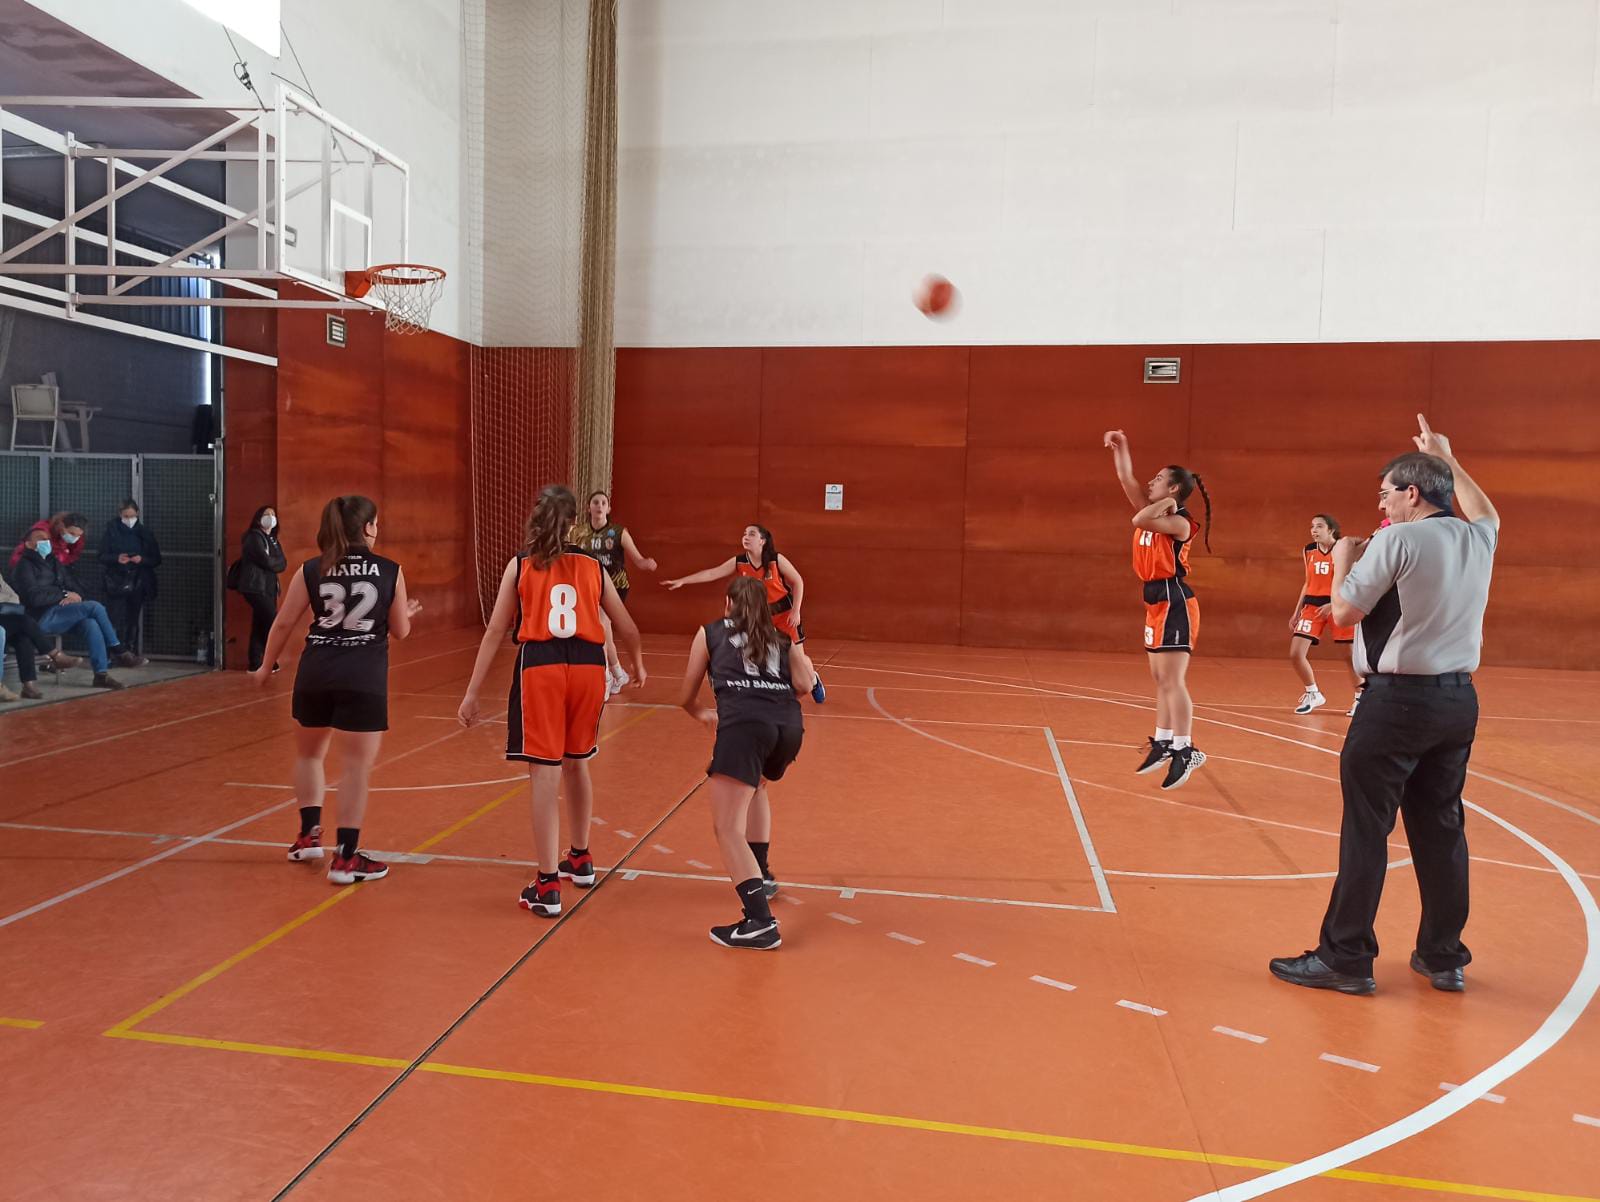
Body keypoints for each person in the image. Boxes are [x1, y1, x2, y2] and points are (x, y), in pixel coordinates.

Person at [1270, 415, 1498, 996]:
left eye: (1386, 493)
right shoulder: (1480, 537)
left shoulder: (1398, 539)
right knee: (1442, 828)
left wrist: (1344, 559)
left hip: (1396, 703)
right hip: (1457, 702)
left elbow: (1345, 613)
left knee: (1366, 829)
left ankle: (1345, 958)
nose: (1382, 504)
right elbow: (1484, 509)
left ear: (1412, 493)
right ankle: (1443, 956)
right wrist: (1448, 456)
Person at [458, 485, 645, 918]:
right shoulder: (593, 566)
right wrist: (636, 664)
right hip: (588, 667)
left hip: (541, 666)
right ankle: (580, 857)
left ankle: (546, 884)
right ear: (574, 524)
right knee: (578, 761)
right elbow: (626, 625)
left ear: (536, 519)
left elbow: (494, 631)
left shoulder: (521, 564)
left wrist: (472, 692)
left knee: (544, 771)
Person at [250, 495, 419, 886]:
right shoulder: (390, 570)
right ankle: (345, 858)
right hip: (363, 677)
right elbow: (400, 630)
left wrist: (264, 666)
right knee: (355, 767)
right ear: (368, 527)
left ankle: (308, 837)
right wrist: (405, 613)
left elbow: (283, 623)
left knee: (309, 755)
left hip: (316, 673)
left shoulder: (311, 568)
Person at [678, 576, 812, 950]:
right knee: (756, 787)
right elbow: (804, 685)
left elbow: (686, 694)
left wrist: (702, 713)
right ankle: (762, 873)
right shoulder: (781, 638)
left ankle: (760, 922)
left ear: (728, 604)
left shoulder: (710, 633)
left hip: (745, 727)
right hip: (788, 729)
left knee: (727, 828)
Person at [1103, 430, 1212, 791]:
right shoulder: (1154, 511)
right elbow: (1126, 478)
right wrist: (1121, 446)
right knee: (1160, 678)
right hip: (1154, 599)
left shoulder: (1181, 523)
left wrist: (1166, 504)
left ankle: (1186, 748)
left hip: (1175, 600)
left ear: (1174, 489)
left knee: (1174, 679)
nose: (1150, 482)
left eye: (1159, 479)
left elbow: (1138, 521)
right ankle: (1164, 741)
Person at [663, 524, 826, 703]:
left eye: (751, 534)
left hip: (785, 615)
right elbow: (712, 573)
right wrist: (683, 581)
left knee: (798, 660)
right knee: (765, 658)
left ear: (762, 541)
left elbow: (798, 581)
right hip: (761, 617)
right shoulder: (739, 562)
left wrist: (796, 610)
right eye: (744, 534)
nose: (746, 537)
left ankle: (813, 680)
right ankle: (771, 697)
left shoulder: (776, 560)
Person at [11, 526, 145, 690]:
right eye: (40, 539)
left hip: (62, 611)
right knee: (95, 607)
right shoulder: (23, 566)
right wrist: (63, 594)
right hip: (40, 617)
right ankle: (119, 650)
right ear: (28, 544)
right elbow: (33, 597)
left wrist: (74, 596)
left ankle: (101, 675)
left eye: (47, 539)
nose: (46, 542)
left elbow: (72, 585)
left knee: (91, 624)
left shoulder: (53, 561)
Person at [569, 490, 658, 696]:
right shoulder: (578, 533)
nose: (599, 506)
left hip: (616, 586)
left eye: (603, 502)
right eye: (595, 502)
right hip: (591, 586)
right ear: (589, 508)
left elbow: (638, 559)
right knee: (602, 629)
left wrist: (646, 563)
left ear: (608, 508)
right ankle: (618, 672)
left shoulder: (618, 533)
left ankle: (606, 677)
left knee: (602, 624)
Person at [1287, 514, 1364, 716]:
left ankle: (1360, 698)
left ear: (1331, 530)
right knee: (1296, 653)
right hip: (1312, 606)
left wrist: (1333, 604)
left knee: (1349, 656)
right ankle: (1313, 693)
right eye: (1312, 526)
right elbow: (1307, 582)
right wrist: (1296, 611)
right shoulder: (1309, 550)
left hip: (1338, 605)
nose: (1314, 530)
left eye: (1319, 526)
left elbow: (1351, 583)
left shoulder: (1342, 550)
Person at [0, 570, 79, 701]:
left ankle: (29, 686)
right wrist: (4, 600)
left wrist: (4, 601)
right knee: (25, 621)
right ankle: (55, 655)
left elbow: (14, 597)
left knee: (23, 638)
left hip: (5, 617)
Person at [99, 499, 162, 650]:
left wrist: (142, 559)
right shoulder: (111, 531)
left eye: (132, 516)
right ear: (120, 514)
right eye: (126, 516)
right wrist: (117, 558)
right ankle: (112, 652)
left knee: (132, 618)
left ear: (138, 514)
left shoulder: (145, 533)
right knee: (113, 617)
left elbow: (156, 559)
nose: (129, 519)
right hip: (116, 581)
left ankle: (130, 650)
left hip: (139, 581)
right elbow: (101, 556)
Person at [236, 505, 287, 672]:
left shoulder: (272, 539)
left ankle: (255, 662)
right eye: (266, 514)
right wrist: (274, 562)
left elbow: (282, 563)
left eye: (273, 514)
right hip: (255, 588)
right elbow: (267, 562)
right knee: (271, 621)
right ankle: (267, 660)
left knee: (259, 623)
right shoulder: (253, 537)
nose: (270, 517)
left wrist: (274, 562)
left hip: (269, 588)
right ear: (258, 518)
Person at [9, 511, 88, 572]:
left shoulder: (76, 537)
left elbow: (74, 554)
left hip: (52, 570)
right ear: (62, 526)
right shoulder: (43, 531)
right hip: (31, 568)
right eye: (71, 533)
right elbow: (39, 548)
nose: (74, 538)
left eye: (78, 535)